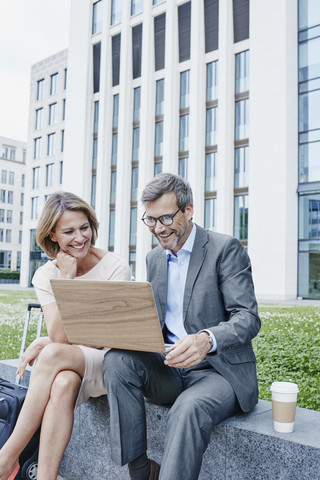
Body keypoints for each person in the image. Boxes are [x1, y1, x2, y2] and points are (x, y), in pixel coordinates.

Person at [103, 173, 261, 480]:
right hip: (170, 367)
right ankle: (140, 471)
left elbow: (248, 318)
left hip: (219, 372)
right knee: (116, 361)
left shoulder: (224, 248)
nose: (159, 229)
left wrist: (206, 339)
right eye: (150, 220)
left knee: (188, 409)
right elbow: (152, 319)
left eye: (166, 218)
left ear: (189, 210)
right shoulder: (153, 259)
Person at [0, 191, 130, 480]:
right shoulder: (46, 275)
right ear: (53, 235)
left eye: (84, 227)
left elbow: (102, 338)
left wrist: (49, 341)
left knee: (53, 352)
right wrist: (65, 279)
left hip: (114, 362)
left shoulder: (115, 267)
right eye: (69, 231)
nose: (80, 238)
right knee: (62, 383)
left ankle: (7, 458)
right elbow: (61, 333)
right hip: (75, 364)